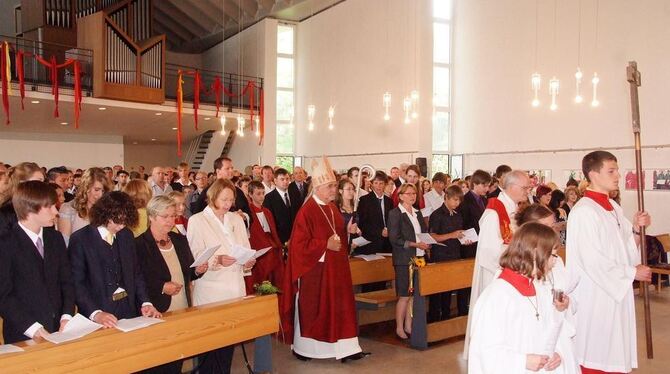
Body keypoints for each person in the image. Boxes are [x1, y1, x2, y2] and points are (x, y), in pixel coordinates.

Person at [566, 151, 651, 373]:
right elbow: (591, 259)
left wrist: (634, 229)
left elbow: (624, 248)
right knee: (597, 352)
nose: (618, 176)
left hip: (615, 291)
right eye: (611, 171)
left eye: (617, 170)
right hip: (596, 293)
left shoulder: (613, 207)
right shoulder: (584, 211)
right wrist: (631, 273)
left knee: (614, 348)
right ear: (593, 174)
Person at [280, 156, 368, 363]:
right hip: (315, 273)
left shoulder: (331, 207)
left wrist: (347, 231)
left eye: (335, 186)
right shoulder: (306, 211)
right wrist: (324, 245)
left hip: (336, 269)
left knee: (340, 307)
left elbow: (336, 234)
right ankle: (307, 349)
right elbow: (298, 247)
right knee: (316, 309)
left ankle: (345, 347)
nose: (334, 191)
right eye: (330, 186)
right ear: (318, 187)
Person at [468, 223, 575, 374]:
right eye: (552, 255)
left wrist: (556, 353)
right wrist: (523, 361)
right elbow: (483, 352)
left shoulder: (538, 288)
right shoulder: (496, 297)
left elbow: (547, 330)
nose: (554, 261)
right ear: (534, 253)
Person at [187, 179, 256, 373]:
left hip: (234, 286)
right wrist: (217, 260)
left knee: (228, 342)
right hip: (211, 289)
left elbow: (245, 248)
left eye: (231, 200)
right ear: (212, 196)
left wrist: (248, 261)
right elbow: (195, 255)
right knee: (210, 342)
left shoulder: (236, 219)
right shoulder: (197, 220)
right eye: (224, 199)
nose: (228, 204)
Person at [133, 195, 208, 374]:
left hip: (181, 308)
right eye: (164, 216)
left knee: (176, 361)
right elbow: (137, 280)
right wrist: (161, 287)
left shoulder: (179, 240)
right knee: (156, 364)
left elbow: (186, 273)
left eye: (172, 216)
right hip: (157, 311)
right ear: (151, 216)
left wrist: (197, 271)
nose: (170, 220)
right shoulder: (139, 245)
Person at [69, 191, 161, 328]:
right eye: (117, 221)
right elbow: (77, 283)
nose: (122, 226)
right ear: (104, 214)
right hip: (98, 313)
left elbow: (136, 273)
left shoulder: (126, 235)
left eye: (125, 221)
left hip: (129, 309)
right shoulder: (80, 239)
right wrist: (95, 313)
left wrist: (145, 302)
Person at [464, 170, 531, 358]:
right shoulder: (495, 211)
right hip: (495, 277)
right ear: (511, 187)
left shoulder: (514, 209)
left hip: (513, 275)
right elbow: (488, 252)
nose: (528, 191)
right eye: (525, 187)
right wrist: (520, 254)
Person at [0, 181, 75, 344]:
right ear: (30, 209)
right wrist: (32, 328)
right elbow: (4, 295)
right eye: (50, 207)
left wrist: (67, 315)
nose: (56, 212)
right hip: (23, 332)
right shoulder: (6, 243)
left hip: (59, 329)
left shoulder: (55, 238)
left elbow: (67, 282)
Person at [388, 183, 430, 340]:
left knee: (414, 295)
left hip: (419, 257)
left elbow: (423, 233)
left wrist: (427, 243)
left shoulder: (418, 213)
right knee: (405, 295)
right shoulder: (395, 213)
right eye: (409, 193)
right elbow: (395, 239)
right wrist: (415, 244)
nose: (412, 196)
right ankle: (399, 327)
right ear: (400, 196)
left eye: (414, 193)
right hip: (404, 259)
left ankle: (408, 325)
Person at [427, 185, 470, 321]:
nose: (457, 204)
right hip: (440, 255)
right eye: (455, 200)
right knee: (438, 290)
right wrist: (452, 235)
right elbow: (432, 236)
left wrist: (465, 239)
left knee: (449, 289)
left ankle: (446, 318)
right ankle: (434, 318)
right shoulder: (437, 215)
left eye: (459, 201)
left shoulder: (457, 215)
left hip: (454, 254)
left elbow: (458, 234)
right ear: (446, 198)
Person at [246, 181, 285, 294]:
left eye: (263, 193)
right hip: (259, 251)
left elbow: (273, 232)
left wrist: (278, 246)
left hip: (271, 248)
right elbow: (253, 235)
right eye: (258, 193)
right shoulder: (248, 212)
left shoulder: (267, 211)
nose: (262, 196)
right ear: (250, 194)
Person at [191, 157, 252, 227]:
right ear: (218, 171)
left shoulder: (238, 191)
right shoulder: (208, 191)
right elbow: (198, 216)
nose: (231, 170)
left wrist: (244, 216)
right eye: (227, 168)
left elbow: (249, 214)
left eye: (232, 168)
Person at [58, 167, 111, 243]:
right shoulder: (68, 209)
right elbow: (65, 244)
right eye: (96, 190)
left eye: (103, 191)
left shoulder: (106, 210)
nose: (100, 195)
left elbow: (109, 241)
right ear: (86, 188)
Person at [0, 162, 44, 235]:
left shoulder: (40, 208)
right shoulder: (6, 213)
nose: (43, 187)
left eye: (43, 182)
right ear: (22, 182)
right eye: (38, 181)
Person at [356, 171, 393, 256]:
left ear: (385, 184)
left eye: (381, 183)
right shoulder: (364, 200)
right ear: (371, 184)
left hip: (388, 243)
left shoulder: (389, 201)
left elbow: (392, 221)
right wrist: (380, 232)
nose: (378, 186)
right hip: (372, 242)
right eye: (376, 183)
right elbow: (363, 224)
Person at [263, 168, 298, 246]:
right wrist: (281, 242)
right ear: (275, 181)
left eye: (287, 179)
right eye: (282, 179)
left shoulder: (294, 195)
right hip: (280, 240)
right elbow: (270, 223)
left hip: (296, 237)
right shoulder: (269, 198)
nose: (285, 182)